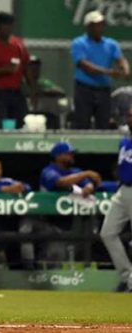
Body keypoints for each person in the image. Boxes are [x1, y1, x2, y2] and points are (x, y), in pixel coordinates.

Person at [71, 10, 130, 129]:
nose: (99, 28)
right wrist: (109, 72)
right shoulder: (79, 43)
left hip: (103, 90)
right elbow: (85, 65)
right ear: (88, 27)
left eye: (101, 24)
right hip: (84, 89)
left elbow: (121, 59)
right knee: (82, 123)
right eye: (96, 25)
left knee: (103, 123)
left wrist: (126, 69)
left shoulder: (111, 44)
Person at [0, 12, 34, 129]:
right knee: (2, 125)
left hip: (17, 92)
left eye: (10, 25)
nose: (8, 29)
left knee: (21, 123)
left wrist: (32, 89)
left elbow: (26, 66)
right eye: (5, 25)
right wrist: (2, 70)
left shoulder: (19, 45)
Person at [101, 108, 132, 291]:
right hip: (123, 190)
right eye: (129, 116)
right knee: (107, 233)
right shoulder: (125, 141)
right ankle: (127, 277)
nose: (130, 119)